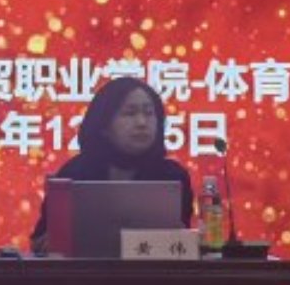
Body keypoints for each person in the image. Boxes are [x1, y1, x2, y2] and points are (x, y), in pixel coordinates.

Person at [30, 76, 194, 253]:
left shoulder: (172, 176)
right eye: (130, 113)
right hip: (85, 271)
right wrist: (51, 244)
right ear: (104, 125)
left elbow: (181, 247)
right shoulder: (75, 173)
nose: (142, 123)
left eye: (149, 113)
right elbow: (38, 243)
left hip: (152, 270)